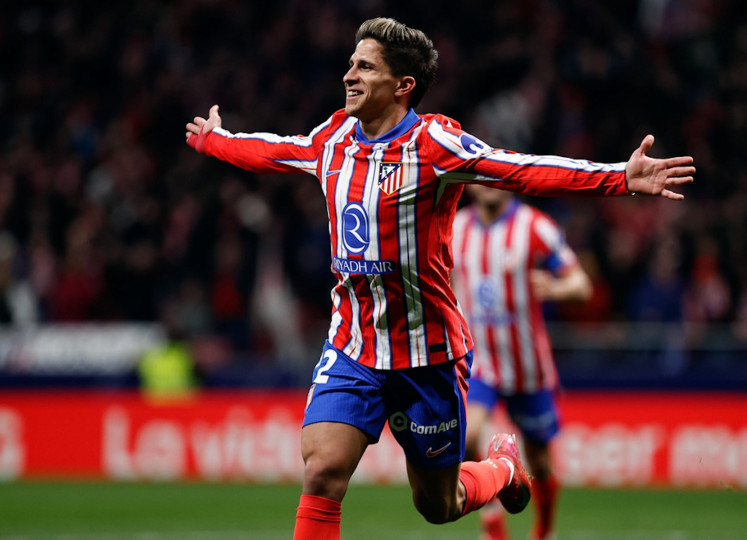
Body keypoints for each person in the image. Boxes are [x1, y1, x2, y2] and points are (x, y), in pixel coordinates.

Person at [184, 17, 694, 539]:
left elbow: (519, 169)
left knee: (438, 504)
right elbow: (274, 151)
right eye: (350, 64)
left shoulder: (436, 145)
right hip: (353, 344)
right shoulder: (333, 136)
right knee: (322, 471)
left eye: (365, 67)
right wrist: (215, 142)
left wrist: (619, 178)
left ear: (403, 85)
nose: (349, 76)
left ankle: (500, 469)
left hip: (427, 356)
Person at [452, 184, 592, 540]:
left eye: (497, 177)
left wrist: (555, 288)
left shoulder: (535, 227)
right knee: (467, 438)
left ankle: (544, 531)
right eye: (482, 177)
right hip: (478, 362)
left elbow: (582, 284)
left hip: (527, 366)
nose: (489, 185)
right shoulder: (455, 228)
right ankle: (493, 524)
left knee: (540, 463)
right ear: (468, 183)